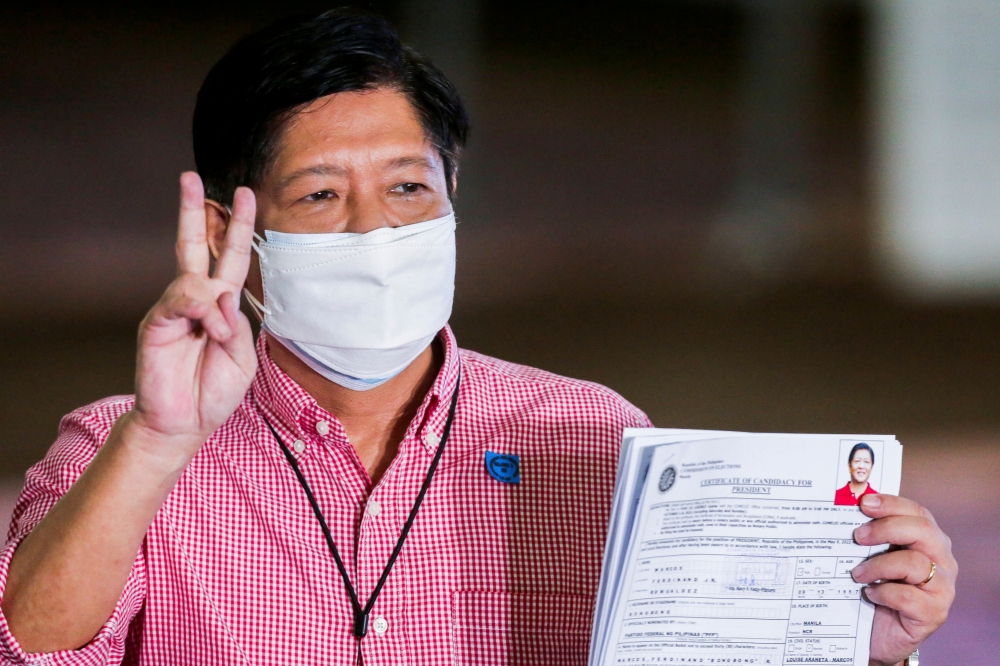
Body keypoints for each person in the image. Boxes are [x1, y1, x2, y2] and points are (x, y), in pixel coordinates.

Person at [0, 10, 956, 666]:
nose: (376, 231)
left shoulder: (593, 439)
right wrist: (159, 442)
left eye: (409, 188)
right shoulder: (121, 451)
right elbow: (28, 649)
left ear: (454, 201)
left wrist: (854, 636)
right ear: (225, 235)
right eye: (322, 195)